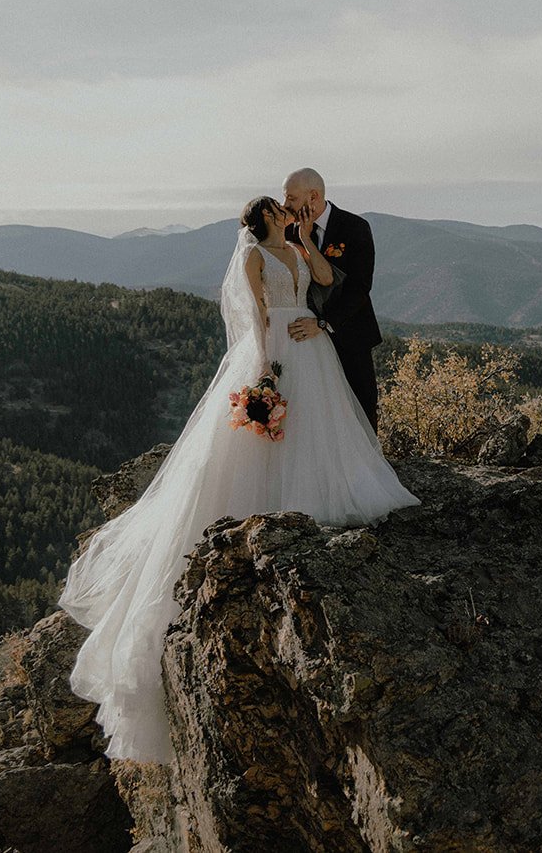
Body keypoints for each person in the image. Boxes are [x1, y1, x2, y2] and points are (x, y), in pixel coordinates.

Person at [57, 194, 420, 763]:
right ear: (263, 217)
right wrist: (266, 364)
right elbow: (252, 311)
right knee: (262, 438)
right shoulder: (253, 256)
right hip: (275, 346)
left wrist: (304, 245)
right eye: (280, 208)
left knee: (322, 427)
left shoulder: (299, 246)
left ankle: (322, 493)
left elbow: (327, 278)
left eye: (289, 207)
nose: (287, 211)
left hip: (311, 340)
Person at [280, 167, 383, 430]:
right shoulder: (288, 234)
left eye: (291, 198)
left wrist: (324, 323)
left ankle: (368, 466)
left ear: (313, 196)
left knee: (361, 404)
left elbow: (360, 287)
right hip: (304, 340)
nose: (285, 205)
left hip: (350, 333)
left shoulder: (355, 227)